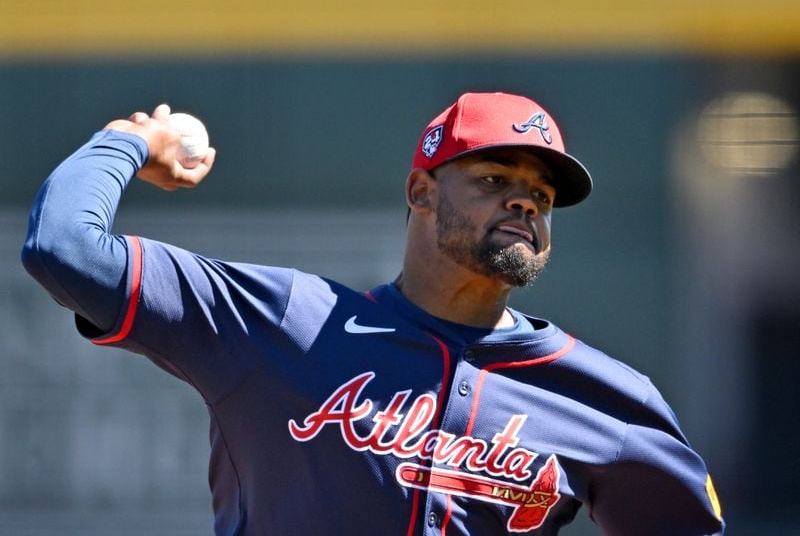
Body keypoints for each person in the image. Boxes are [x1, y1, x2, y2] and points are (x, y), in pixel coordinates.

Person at [22, 92, 725, 535]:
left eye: (542, 194)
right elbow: (63, 248)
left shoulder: (605, 400)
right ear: (421, 191)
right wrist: (127, 141)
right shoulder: (283, 322)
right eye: (494, 178)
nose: (525, 202)